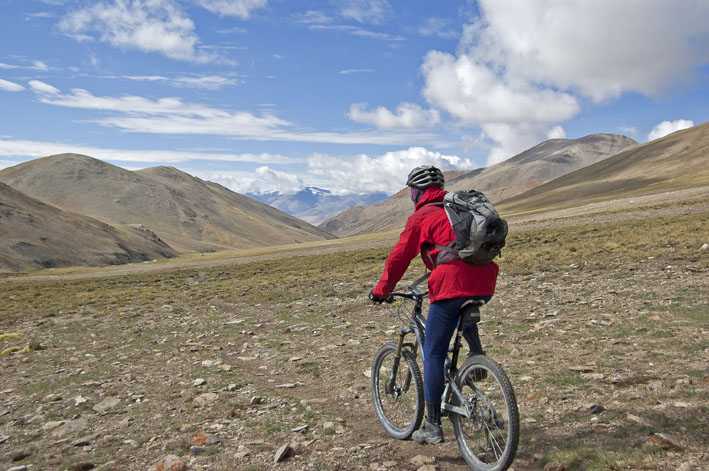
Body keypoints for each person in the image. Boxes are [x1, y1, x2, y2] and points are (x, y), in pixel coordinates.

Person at [369, 165, 499, 445]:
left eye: (412, 191)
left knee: (434, 353)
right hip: (485, 281)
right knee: (461, 310)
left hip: (452, 284)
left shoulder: (423, 215)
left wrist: (381, 291)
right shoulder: (458, 209)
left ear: (417, 191)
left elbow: (399, 258)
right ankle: (476, 357)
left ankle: (431, 424)